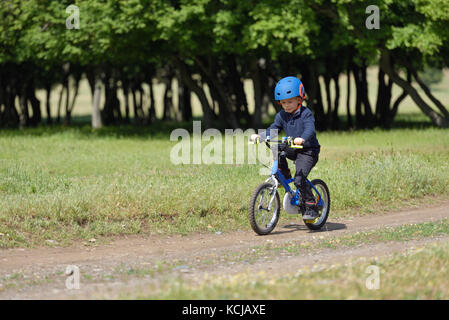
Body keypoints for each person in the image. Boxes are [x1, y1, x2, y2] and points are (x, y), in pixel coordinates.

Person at [250, 76, 321, 220]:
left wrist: (302, 138)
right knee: (277, 148)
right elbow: (273, 129)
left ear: (299, 100)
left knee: (300, 179)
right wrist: (261, 136)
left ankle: (311, 206)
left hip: (308, 151)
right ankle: (283, 174)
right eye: (283, 103)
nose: (286, 105)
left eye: (290, 102)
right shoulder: (282, 115)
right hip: (293, 148)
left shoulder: (306, 114)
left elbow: (310, 130)